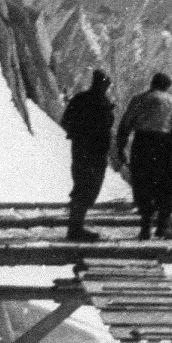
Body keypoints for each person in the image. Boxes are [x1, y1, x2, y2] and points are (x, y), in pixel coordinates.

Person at [113, 71, 172, 239]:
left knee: (143, 184)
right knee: (165, 185)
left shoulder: (139, 99)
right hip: (164, 145)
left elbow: (125, 124)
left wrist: (121, 148)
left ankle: (146, 225)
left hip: (142, 143)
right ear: (166, 86)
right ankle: (163, 226)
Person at [60, 69, 114, 241]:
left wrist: (78, 134)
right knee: (87, 187)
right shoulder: (103, 102)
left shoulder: (80, 99)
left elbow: (66, 121)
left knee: (82, 185)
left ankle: (75, 226)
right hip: (95, 151)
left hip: (81, 149)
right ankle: (75, 230)